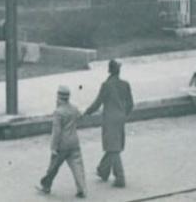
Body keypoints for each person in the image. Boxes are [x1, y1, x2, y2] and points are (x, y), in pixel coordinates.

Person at [83, 59, 134, 188]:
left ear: (109, 71)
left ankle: (120, 178)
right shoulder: (125, 84)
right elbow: (131, 104)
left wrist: (86, 112)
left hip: (109, 119)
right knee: (114, 145)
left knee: (113, 148)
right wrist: (124, 114)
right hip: (120, 118)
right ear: (119, 71)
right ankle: (103, 171)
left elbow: (97, 103)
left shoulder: (106, 85)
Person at [37, 85, 87, 198]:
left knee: (53, 167)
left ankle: (46, 186)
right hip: (74, 142)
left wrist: (53, 147)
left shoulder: (58, 112)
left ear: (59, 97)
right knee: (77, 166)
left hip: (62, 145)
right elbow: (80, 116)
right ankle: (82, 189)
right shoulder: (74, 108)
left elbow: (56, 132)